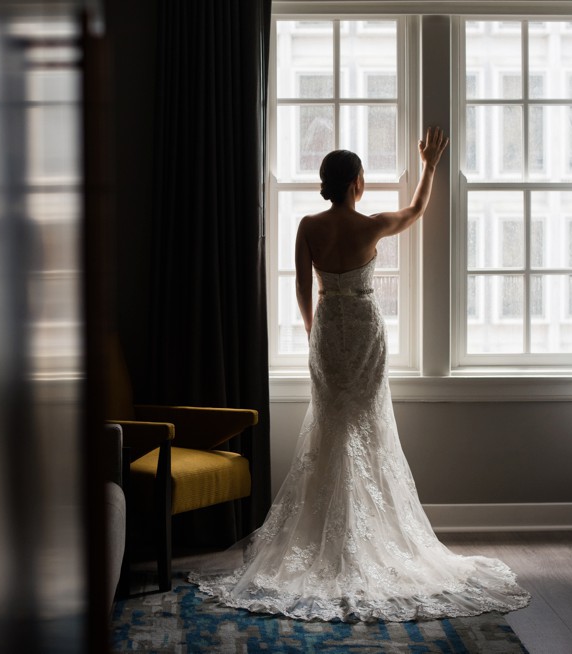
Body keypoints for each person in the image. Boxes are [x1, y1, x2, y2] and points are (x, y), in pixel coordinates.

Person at [189, 127, 531, 622]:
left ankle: (331, 535)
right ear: (355, 182)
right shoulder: (370, 226)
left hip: (329, 330)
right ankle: (358, 534)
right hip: (366, 329)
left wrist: (313, 331)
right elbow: (415, 212)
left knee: (332, 427)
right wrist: (430, 164)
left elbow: (303, 290)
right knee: (365, 428)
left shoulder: (308, 225)